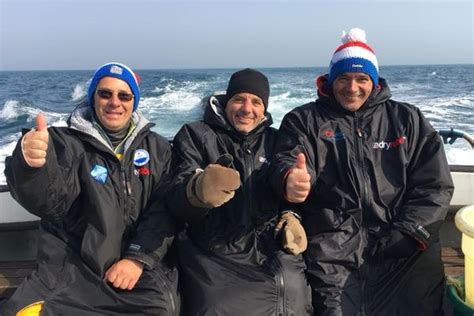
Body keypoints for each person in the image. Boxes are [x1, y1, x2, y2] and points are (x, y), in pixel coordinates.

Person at [270, 28, 454, 315]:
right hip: (334, 245)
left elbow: (435, 185)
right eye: (343, 78)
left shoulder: (407, 119)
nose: (352, 87)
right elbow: (287, 158)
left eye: (361, 79)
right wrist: (289, 179)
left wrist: (408, 232)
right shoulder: (304, 120)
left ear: (374, 82)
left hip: (404, 242)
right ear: (330, 81)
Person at [1, 63, 179, 315]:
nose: (114, 102)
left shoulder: (158, 148)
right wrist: (29, 166)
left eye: (124, 95)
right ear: (93, 97)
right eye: (105, 93)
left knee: (161, 308)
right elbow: (47, 201)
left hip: (136, 266)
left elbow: (164, 212)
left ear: (134, 101)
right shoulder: (62, 143)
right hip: (69, 267)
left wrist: (137, 259)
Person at [167, 68, 313, 315]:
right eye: (239, 99)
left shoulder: (276, 140)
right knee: (216, 306)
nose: (247, 109)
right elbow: (175, 195)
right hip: (212, 248)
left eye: (256, 102)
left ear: (264, 109)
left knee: (294, 298)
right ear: (226, 103)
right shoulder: (195, 135)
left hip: (269, 246)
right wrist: (197, 191)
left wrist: (292, 212)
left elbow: (286, 173)